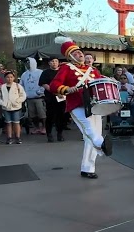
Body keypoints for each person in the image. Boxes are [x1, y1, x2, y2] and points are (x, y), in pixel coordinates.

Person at [51, 36, 113, 179]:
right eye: (76, 53)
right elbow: (54, 84)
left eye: (80, 52)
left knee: (89, 136)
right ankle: (102, 145)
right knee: (89, 129)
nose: (80, 54)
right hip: (77, 104)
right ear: (70, 56)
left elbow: (99, 84)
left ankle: (88, 168)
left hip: (94, 104)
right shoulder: (66, 68)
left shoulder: (92, 70)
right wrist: (67, 89)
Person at [39, 56, 68, 142]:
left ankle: (60, 133)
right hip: (50, 97)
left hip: (62, 97)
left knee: (61, 116)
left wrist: (62, 93)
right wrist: (55, 92)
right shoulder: (45, 72)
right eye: (52, 61)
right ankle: (49, 134)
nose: (54, 63)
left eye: (56, 61)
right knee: (50, 116)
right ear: (49, 63)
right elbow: (44, 84)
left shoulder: (62, 71)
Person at [0, 70, 27, 144]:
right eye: (8, 77)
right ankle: (9, 137)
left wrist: (18, 101)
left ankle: (17, 137)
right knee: (8, 123)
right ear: (5, 78)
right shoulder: (2, 87)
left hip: (16, 107)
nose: (9, 79)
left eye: (11, 77)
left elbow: (23, 95)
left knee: (16, 122)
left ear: (14, 78)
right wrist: (2, 103)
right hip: (6, 107)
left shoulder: (18, 86)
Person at [20, 57, 47, 135]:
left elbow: (44, 83)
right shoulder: (24, 74)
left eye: (29, 62)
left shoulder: (40, 72)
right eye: (26, 63)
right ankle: (36, 127)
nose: (27, 64)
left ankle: (44, 127)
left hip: (39, 97)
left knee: (42, 114)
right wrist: (23, 94)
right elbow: (21, 85)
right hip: (29, 98)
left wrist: (40, 91)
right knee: (32, 115)